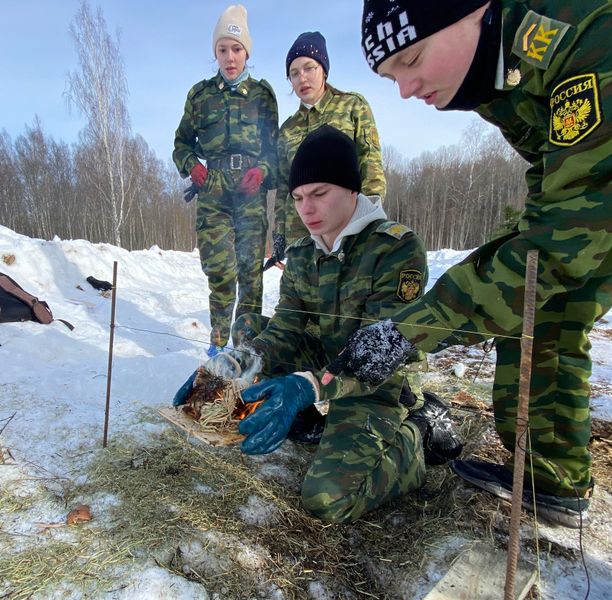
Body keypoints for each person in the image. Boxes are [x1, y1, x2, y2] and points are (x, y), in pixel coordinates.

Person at [328, 2, 612, 598]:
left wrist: (411, 330)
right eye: (391, 78)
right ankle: (551, 475)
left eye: (411, 61)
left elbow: (557, 244)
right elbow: (552, 173)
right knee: (542, 307)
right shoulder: (488, 72)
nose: (407, 90)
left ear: (475, 10)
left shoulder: (595, 29)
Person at [173, 126, 462, 523]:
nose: (306, 209)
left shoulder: (394, 248)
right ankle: (308, 418)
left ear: (351, 190)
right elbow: (287, 327)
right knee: (250, 328)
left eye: (319, 194)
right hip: (326, 358)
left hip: (378, 383)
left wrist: (309, 385)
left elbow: (380, 358)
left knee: (327, 499)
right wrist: (234, 363)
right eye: (297, 198)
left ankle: (417, 434)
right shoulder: (304, 252)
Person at [173, 4, 279, 357]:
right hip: (213, 190)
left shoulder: (263, 96)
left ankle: (245, 352)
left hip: (249, 191)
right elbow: (181, 143)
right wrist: (192, 165)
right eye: (222, 49)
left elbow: (274, 148)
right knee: (220, 272)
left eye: (236, 49)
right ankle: (218, 348)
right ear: (215, 52)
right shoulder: (200, 96)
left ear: (246, 51)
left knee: (250, 275)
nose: (229, 57)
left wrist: (263, 170)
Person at [271, 31, 387, 264]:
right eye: (294, 73)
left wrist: (369, 222)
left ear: (323, 69)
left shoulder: (352, 106)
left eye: (308, 68)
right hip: (300, 232)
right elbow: (284, 187)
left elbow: (370, 163)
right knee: (302, 297)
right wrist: (279, 234)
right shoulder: (287, 129)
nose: (302, 78)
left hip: (346, 227)